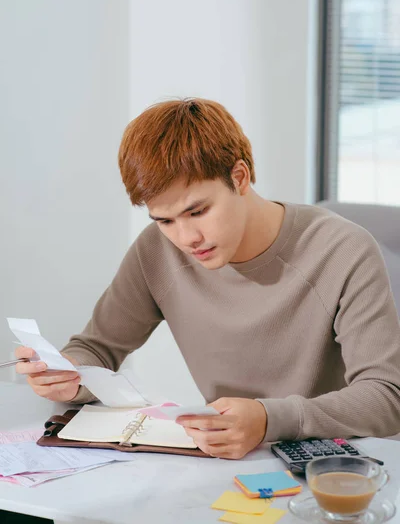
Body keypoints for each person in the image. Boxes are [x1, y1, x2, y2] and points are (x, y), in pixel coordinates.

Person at [15, 98, 400, 459]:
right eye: (165, 220)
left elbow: (386, 397)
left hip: (336, 468)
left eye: (197, 211)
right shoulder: (157, 251)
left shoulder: (342, 249)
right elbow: (97, 348)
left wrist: (269, 419)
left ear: (240, 176)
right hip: (226, 464)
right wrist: (70, 375)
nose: (186, 239)